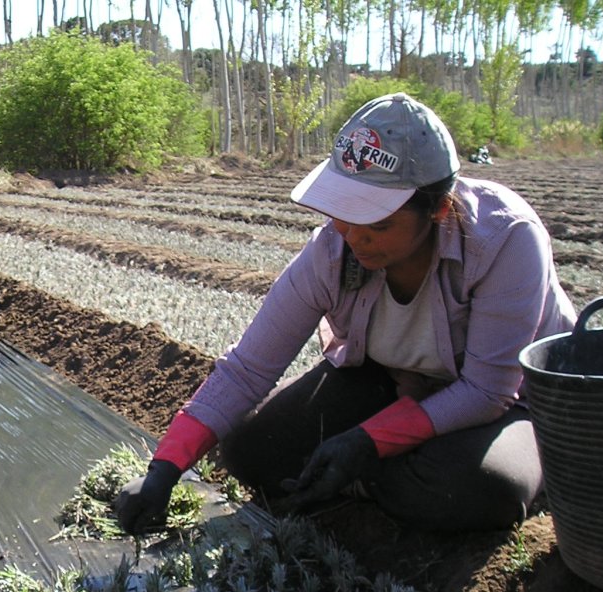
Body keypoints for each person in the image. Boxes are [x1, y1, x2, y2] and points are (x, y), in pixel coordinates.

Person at [115, 93, 576, 535]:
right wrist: (164, 468)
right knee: (251, 454)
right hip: (396, 381)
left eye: (377, 222)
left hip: (514, 403)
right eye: (342, 212)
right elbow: (247, 369)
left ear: (436, 207)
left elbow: (486, 390)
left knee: (481, 487)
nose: (355, 236)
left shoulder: (505, 240)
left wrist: (367, 442)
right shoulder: (333, 250)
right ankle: (383, 465)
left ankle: (379, 469)